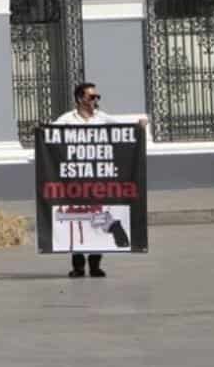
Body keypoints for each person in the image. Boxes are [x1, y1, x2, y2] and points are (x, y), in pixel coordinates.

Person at [52, 82, 146, 279]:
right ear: (79, 99)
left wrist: (139, 128)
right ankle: (78, 266)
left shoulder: (103, 118)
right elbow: (49, 137)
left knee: (98, 221)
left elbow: (124, 132)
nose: (95, 101)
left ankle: (95, 266)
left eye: (97, 97)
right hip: (76, 180)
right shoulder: (67, 119)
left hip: (99, 180)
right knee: (78, 221)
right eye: (91, 97)